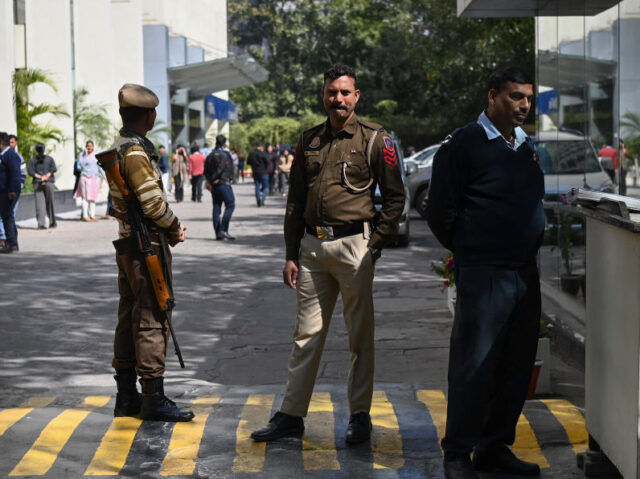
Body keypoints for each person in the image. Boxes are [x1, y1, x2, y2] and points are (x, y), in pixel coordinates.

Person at [250, 63, 405, 444]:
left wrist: (374, 246)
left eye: (344, 92)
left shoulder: (375, 139)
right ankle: (291, 415)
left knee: (359, 338)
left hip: (356, 248)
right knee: (306, 335)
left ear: (356, 96)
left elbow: (396, 198)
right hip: (313, 250)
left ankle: (359, 416)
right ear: (324, 95)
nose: (338, 99)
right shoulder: (309, 141)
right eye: (332, 92)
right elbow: (295, 200)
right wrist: (290, 253)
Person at [425, 66, 544, 479]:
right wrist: (471, 249)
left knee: (515, 366)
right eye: (515, 97)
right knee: (473, 367)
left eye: (528, 98)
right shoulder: (463, 145)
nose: (524, 105)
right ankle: (457, 452)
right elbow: (439, 211)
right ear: (492, 97)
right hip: (484, 274)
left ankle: (494, 448)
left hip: (524, 276)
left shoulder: (526, 146)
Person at [107, 83, 193, 422]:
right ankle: (153, 397)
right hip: (147, 247)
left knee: (129, 316)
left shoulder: (119, 147)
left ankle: (127, 396)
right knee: (152, 317)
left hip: (128, 244)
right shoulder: (136, 153)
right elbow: (154, 205)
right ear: (150, 115)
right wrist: (174, 228)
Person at [204, 134, 236, 240]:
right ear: (224, 143)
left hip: (214, 186)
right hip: (223, 183)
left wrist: (210, 181)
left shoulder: (210, 155)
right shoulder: (225, 154)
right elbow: (226, 168)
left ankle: (217, 232)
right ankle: (223, 230)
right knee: (230, 205)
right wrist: (217, 178)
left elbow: (206, 171)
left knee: (216, 207)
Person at [0, 134, 26, 248]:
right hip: (4, 190)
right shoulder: (3, 156)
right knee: (6, 215)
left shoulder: (11, 155)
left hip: (9, 191)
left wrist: (12, 190)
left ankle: (11, 243)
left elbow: (15, 174)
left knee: (7, 215)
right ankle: (12, 241)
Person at [28, 143, 57, 229]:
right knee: (50, 203)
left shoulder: (32, 160)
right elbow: (53, 169)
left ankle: (41, 224)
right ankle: (52, 222)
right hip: (49, 182)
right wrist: (46, 177)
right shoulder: (50, 159)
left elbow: (30, 172)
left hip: (38, 183)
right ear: (44, 149)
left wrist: (40, 177)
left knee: (39, 204)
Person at [74, 140, 101, 222]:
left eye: (91, 146)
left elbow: (100, 167)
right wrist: (85, 155)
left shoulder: (96, 155)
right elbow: (82, 164)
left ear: (93, 147)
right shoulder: (81, 155)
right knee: (85, 197)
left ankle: (92, 215)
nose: (89, 147)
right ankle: (85, 216)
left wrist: (106, 176)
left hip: (94, 178)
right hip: (84, 177)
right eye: (88, 146)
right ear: (86, 147)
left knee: (93, 198)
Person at [247, 142, 269, 207]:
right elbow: (267, 162)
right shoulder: (263, 153)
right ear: (261, 146)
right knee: (266, 187)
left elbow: (248, 162)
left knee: (257, 187)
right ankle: (263, 198)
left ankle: (258, 200)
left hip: (255, 172)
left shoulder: (251, 153)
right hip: (263, 172)